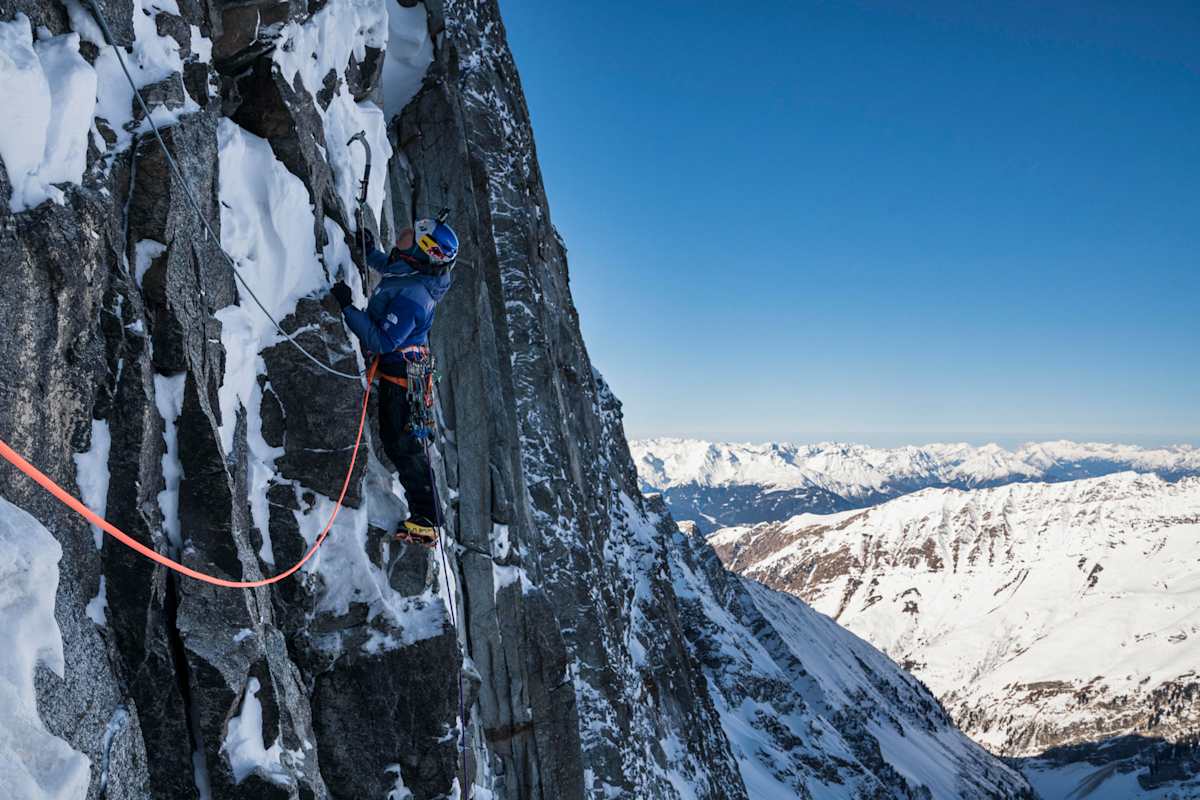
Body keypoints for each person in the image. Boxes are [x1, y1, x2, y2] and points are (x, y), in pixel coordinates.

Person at [330, 216, 459, 546]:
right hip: (409, 369)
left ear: (423, 251)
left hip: (404, 375)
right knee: (403, 442)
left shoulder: (414, 296)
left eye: (410, 237)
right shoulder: (414, 270)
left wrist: (347, 307)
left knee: (403, 445)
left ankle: (427, 520)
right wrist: (369, 252)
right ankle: (427, 514)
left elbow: (382, 341)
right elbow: (392, 264)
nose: (402, 237)